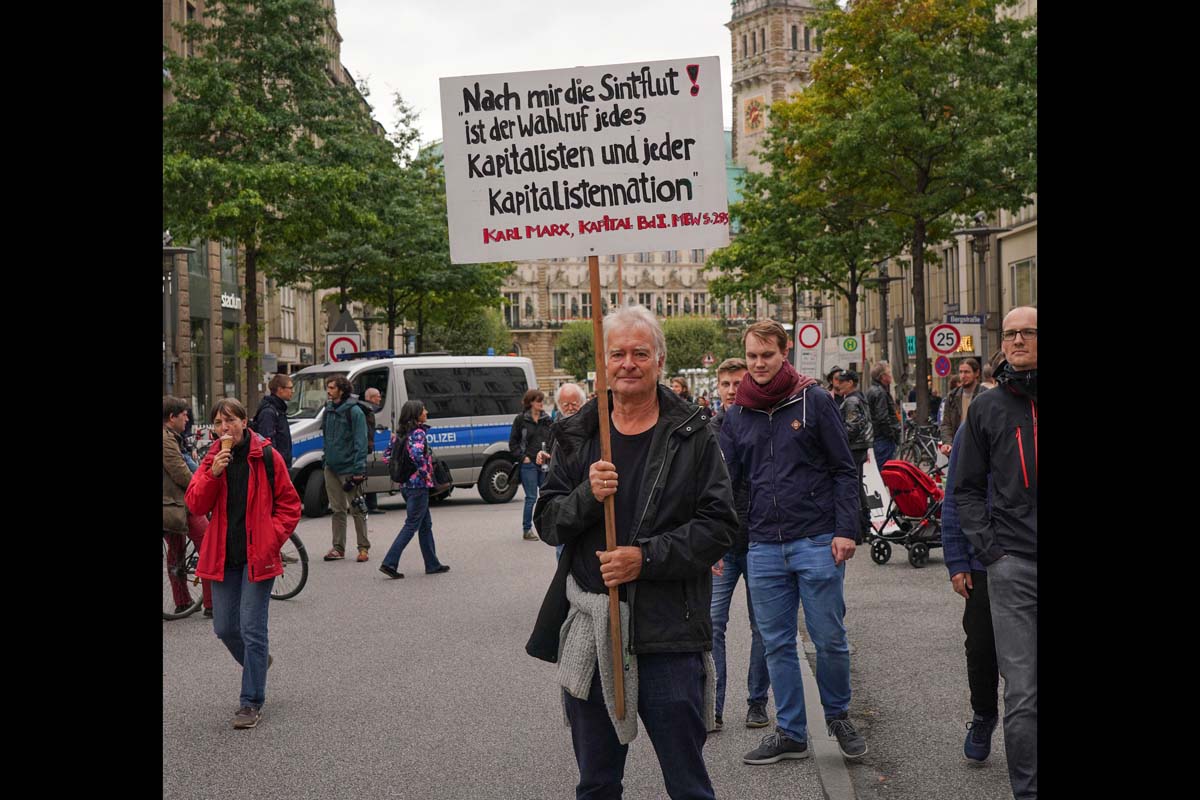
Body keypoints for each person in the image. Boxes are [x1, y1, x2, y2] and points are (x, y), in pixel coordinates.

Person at [527, 304, 737, 800]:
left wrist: (645, 558)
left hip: (669, 631)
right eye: (616, 354)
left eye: (639, 353)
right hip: (594, 628)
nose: (627, 363)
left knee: (688, 784)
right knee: (597, 783)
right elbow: (548, 522)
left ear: (659, 360)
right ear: (602, 364)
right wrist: (585, 495)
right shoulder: (578, 435)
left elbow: (720, 524)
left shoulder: (693, 434)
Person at [720, 320, 868, 765]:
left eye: (767, 355)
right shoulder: (737, 413)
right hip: (762, 545)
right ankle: (791, 732)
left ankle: (838, 715)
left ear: (784, 353)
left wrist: (846, 529)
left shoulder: (814, 399)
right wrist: (720, 543)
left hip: (817, 539)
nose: (759, 364)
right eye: (752, 356)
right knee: (775, 641)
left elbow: (845, 469)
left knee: (830, 638)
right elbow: (727, 485)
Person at [952, 306, 1038, 800]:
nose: (1018, 341)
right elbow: (963, 488)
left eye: (1028, 332)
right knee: (1024, 693)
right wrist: (990, 551)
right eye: (1010, 334)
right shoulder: (986, 409)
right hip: (1014, 565)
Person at [186, 398, 301, 729]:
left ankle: (250, 701)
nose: (225, 428)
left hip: (257, 555)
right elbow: (195, 503)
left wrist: (271, 537)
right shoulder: (211, 458)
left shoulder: (265, 455)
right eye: (219, 423)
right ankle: (259, 662)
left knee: (252, 627)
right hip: (224, 556)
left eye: (231, 421)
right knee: (224, 627)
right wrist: (212, 473)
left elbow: (290, 505)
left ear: (244, 421)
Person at [709, 357, 772, 732]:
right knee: (712, 624)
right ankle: (713, 707)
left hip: (760, 541)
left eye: (738, 383)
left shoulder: (763, 424)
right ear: (718, 389)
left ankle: (757, 702)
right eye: (726, 384)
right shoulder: (706, 430)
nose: (732, 390)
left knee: (762, 626)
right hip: (721, 544)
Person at [941, 423, 1000, 763]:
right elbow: (956, 494)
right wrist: (956, 560)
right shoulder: (979, 421)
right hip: (983, 560)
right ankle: (983, 716)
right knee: (981, 648)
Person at [379, 401, 450, 579]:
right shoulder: (418, 433)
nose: (426, 411)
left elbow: (386, 456)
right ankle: (389, 562)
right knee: (411, 525)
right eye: (423, 409)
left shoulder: (399, 434)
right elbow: (417, 455)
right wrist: (426, 475)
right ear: (416, 414)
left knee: (425, 525)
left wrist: (402, 471)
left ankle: (432, 564)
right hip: (418, 486)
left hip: (405, 485)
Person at [164, 396, 213, 617]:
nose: (187, 418)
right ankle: (212, 603)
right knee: (209, 545)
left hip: (171, 505)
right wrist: (203, 487)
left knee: (176, 553)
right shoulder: (166, 440)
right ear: (171, 417)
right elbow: (180, 472)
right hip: (180, 504)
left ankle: (183, 602)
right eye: (183, 414)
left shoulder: (173, 437)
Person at [321, 375, 370, 562]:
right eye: (328, 387)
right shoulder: (329, 410)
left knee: (357, 508)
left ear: (341, 390)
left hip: (349, 469)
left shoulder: (355, 412)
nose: (328, 391)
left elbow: (361, 441)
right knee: (337, 509)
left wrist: (358, 469)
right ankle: (338, 548)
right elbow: (326, 436)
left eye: (332, 387)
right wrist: (326, 459)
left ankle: (363, 547)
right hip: (331, 467)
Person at [542, 383, 585, 560]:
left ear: (582, 403)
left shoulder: (589, 426)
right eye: (565, 404)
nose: (570, 408)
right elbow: (552, 452)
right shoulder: (556, 426)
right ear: (559, 405)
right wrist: (542, 455)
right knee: (562, 552)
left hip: (581, 492)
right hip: (562, 493)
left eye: (574, 403)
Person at [510, 389, 554, 541]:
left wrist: (550, 454)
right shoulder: (521, 420)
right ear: (530, 403)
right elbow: (513, 443)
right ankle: (527, 529)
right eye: (538, 400)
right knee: (531, 498)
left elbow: (554, 440)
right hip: (529, 464)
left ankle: (549, 527)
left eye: (542, 400)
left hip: (545, 463)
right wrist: (523, 458)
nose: (542, 403)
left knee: (547, 495)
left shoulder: (547, 419)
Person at [836, 371, 874, 545]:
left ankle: (858, 529)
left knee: (853, 487)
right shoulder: (860, 397)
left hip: (853, 447)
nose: (838, 384)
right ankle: (864, 526)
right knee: (858, 486)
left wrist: (838, 438)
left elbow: (853, 426)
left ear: (850, 383)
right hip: (861, 446)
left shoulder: (851, 400)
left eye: (842, 382)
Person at [940, 358, 986, 454]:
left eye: (967, 372)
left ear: (976, 373)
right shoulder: (952, 396)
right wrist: (947, 443)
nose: (963, 376)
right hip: (958, 447)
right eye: (960, 372)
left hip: (979, 449)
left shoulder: (985, 395)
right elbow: (946, 423)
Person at [250, 373, 295, 468]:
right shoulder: (269, 412)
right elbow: (267, 444)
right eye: (290, 388)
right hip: (276, 467)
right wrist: (277, 464)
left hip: (281, 465)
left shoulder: (279, 409)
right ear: (280, 390)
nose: (293, 391)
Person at [867, 362, 901, 467]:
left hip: (878, 437)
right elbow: (882, 418)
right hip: (883, 439)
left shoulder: (873, 390)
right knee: (885, 469)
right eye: (888, 372)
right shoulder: (880, 392)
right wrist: (892, 434)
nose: (890, 375)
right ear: (883, 376)